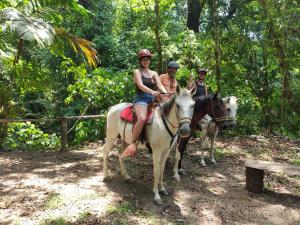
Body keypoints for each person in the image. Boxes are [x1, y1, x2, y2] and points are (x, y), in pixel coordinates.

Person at [121, 49, 167, 158]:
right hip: (141, 99)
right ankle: (132, 143)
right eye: (143, 59)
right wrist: (151, 91)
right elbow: (140, 85)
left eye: (147, 59)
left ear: (150, 60)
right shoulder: (137, 72)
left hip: (153, 99)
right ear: (140, 61)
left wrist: (166, 93)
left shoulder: (154, 73)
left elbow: (160, 85)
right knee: (141, 119)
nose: (146, 61)